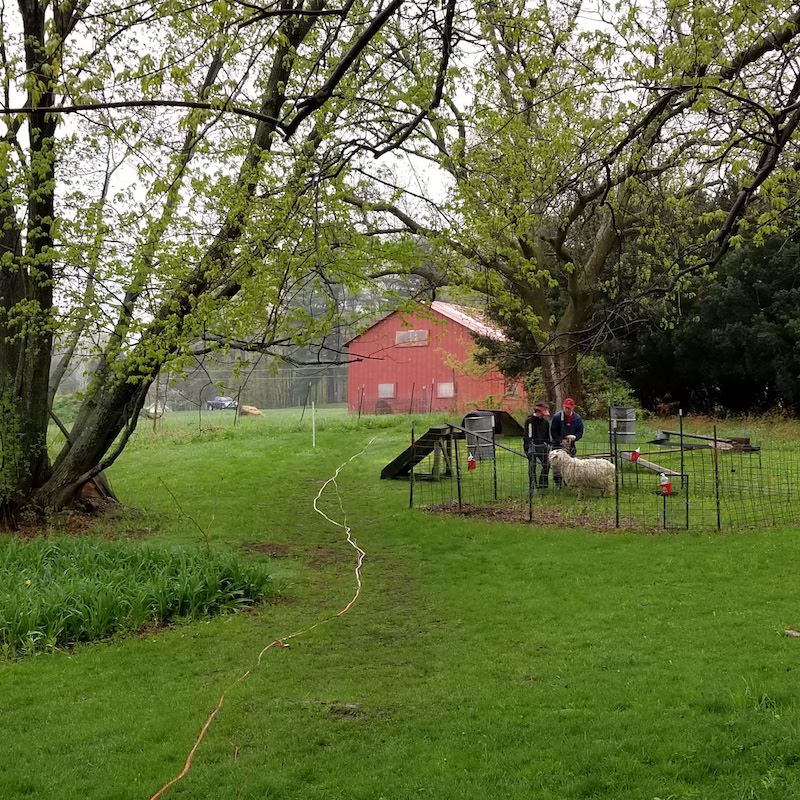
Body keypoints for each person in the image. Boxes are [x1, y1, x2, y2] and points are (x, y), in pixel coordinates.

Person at [550, 398, 584, 486]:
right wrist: (560, 440)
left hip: (570, 445)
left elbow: (580, 431)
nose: (567, 409)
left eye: (569, 408)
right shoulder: (557, 417)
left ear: (573, 408)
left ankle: (568, 482)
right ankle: (558, 483)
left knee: (570, 465)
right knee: (557, 465)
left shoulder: (577, 418)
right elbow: (553, 431)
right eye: (565, 407)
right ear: (563, 407)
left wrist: (575, 437)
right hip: (558, 445)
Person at [523, 401, 551, 489]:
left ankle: (543, 485)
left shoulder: (545, 423)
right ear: (537, 411)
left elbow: (547, 437)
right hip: (531, 447)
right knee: (532, 466)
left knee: (546, 465)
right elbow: (528, 436)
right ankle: (533, 485)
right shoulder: (529, 421)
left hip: (542, 447)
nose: (542, 415)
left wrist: (548, 444)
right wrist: (529, 447)